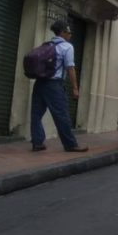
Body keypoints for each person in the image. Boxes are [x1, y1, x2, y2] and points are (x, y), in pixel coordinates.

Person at [30, 20, 89, 152]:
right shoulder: (67, 47)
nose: (70, 35)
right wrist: (75, 88)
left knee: (36, 114)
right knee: (61, 115)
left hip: (39, 83)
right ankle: (71, 145)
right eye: (69, 32)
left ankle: (37, 142)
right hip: (54, 85)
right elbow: (70, 68)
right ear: (62, 32)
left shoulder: (47, 44)